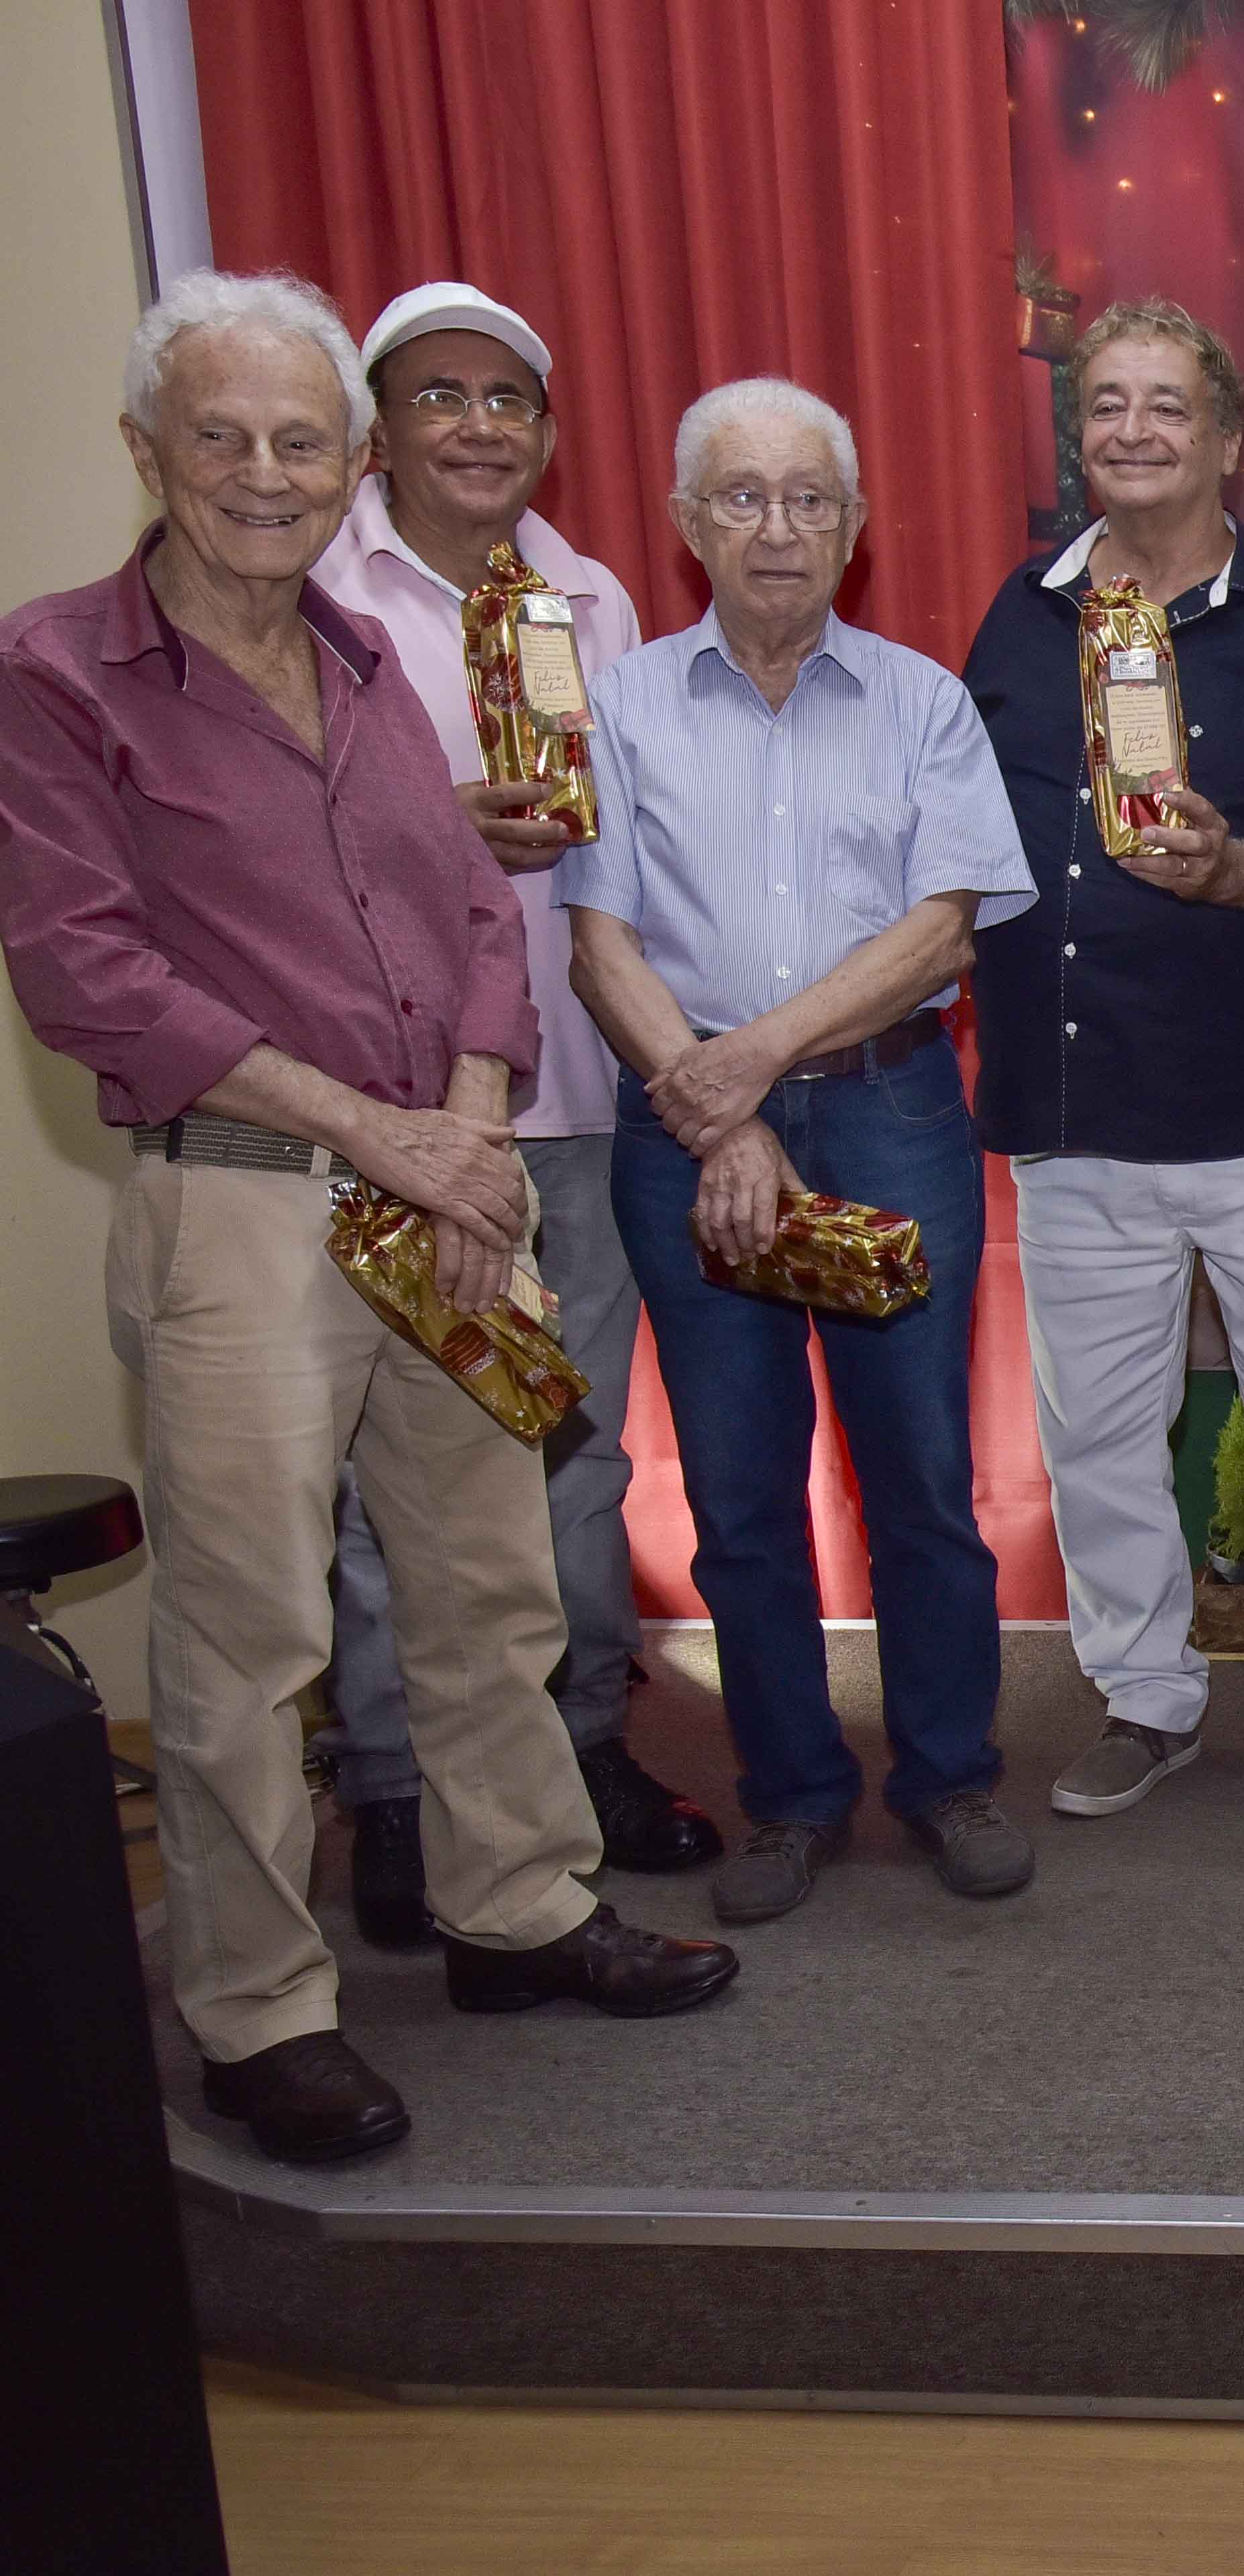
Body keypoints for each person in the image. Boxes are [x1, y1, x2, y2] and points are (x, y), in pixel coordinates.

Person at [0, 272, 739, 2164]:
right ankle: (256, 2005)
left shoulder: (357, 661)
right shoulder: (55, 671)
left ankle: (518, 1910)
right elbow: (91, 976)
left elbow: (477, 918)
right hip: (246, 1208)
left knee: (488, 1583)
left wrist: (476, 1131)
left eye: (299, 441)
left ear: (348, 466)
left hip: (448, 1196)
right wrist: (386, 1135)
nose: (266, 472)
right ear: (148, 452)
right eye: (224, 437)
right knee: (252, 1640)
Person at [564, 378, 1041, 1925]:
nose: (780, 526)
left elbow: (942, 926)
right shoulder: (621, 704)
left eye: (811, 498)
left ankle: (952, 1771)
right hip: (680, 1134)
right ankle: (791, 1796)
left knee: (918, 1472)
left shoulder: (920, 701)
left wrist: (752, 1073)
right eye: (745, 496)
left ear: (855, 525)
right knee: (740, 1487)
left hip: (884, 1114)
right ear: (690, 524)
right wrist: (723, 1110)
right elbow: (597, 940)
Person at [303, 280, 717, 1944]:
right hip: (391, 1109)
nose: (478, 427)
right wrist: (435, 825)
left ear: (547, 429)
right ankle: (401, 1788)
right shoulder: (313, 589)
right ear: (377, 425)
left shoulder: (592, 593)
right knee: (389, 1480)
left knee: (569, 1445)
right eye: (439, 397)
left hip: (574, 1089)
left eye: (509, 402)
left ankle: (579, 1749)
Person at [959, 298, 1244, 1828]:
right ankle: (1143, 1695)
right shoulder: (1019, 614)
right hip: (1075, 1112)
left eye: (1166, 406)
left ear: (1229, 442)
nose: (1132, 430)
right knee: (1100, 1440)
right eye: (1106, 405)